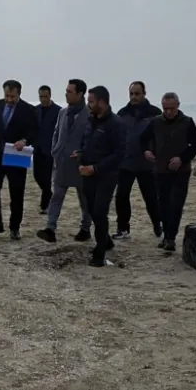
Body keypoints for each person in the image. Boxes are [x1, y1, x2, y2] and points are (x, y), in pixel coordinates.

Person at [139, 92, 196, 251]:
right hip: (160, 170)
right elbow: (143, 139)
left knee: (176, 204)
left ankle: (171, 238)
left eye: (171, 109)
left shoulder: (187, 122)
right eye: (165, 108)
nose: (168, 112)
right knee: (163, 205)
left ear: (178, 106)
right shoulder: (155, 122)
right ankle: (166, 235)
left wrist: (181, 158)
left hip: (181, 171)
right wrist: (147, 151)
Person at [36, 79, 93, 244]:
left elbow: (93, 139)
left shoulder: (89, 115)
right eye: (66, 91)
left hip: (81, 164)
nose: (66, 94)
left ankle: (85, 229)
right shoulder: (63, 112)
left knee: (84, 199)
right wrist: (55, 150)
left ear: (80, 94)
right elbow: (56, 133)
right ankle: (50, 228)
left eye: (69, 92)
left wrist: (84, 154)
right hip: (61, 162)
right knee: (56, 196)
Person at [0, 80, 39, 240]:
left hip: (16, 156)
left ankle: (15, 227)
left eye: (12, 97)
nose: (9, 99)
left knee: (16, 194)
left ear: (19, 94)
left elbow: (35, 132)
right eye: (7, 96)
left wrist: (25, 141)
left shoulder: (28, 110)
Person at [76, 86, 127, 266]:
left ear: (102, 102)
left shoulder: (116, 124)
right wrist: (80, 155)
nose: (88, 104)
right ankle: (106, 240)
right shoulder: (91, 121)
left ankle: (100, 252)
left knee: (99, 211)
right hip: (87, 173)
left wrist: (96, 168)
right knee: (90, 210)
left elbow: (119, 154)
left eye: (91, 101)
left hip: (107, 175)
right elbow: (86, 143)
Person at [112, 81, 163, 240]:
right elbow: (116, 136)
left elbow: (160, 137)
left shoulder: (154, 113)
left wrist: (154, 152)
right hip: (125, 162)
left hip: (147, 164)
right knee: (121, 196)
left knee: (151, 197)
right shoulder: (122, 113)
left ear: (144, 94)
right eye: (131, 94)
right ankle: (122, 228)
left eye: (137, 93)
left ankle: (157, 225)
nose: (134, 97)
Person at [33, 85, 61, 214]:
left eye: (45, 96)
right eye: (41, 97)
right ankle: (49, 195)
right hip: (37, 148)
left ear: (50, 95)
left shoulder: (58, 111)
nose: (43, 99)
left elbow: (61, 131)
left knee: (47, 177)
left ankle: (45, 205)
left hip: (51, 149)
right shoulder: (35, 110)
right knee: (37, 175)